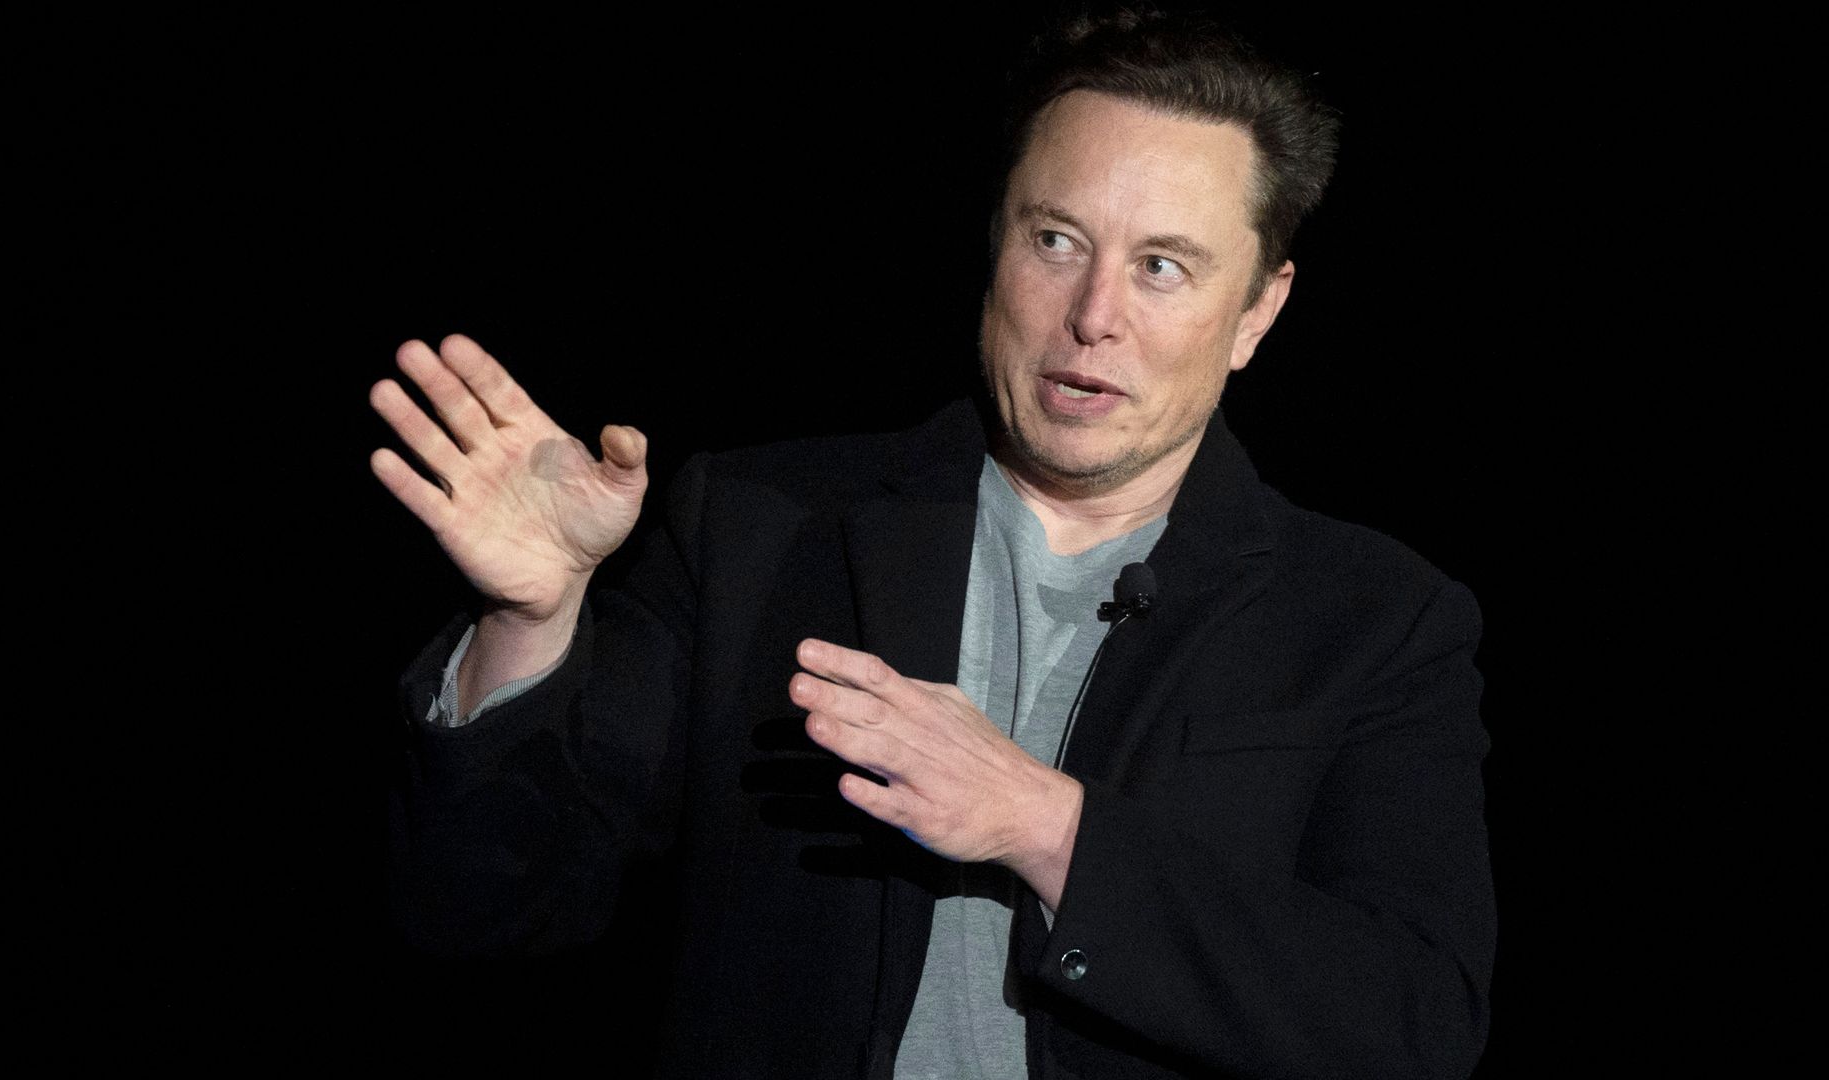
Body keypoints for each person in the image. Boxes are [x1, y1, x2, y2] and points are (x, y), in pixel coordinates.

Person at [370, 11, 1493, 1079]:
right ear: (995, 241)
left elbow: (1412, 1019)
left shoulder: (1375, 620)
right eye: (1056, 239)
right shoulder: (760, 524)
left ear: (1257, 310)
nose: (1093, 313)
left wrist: (1044, 823)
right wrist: (530, 623)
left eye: (1162, 266)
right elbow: (479, 912)